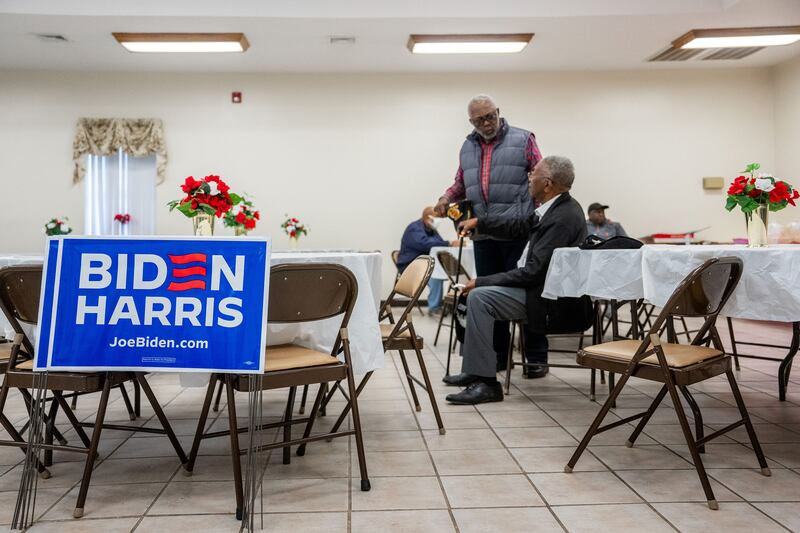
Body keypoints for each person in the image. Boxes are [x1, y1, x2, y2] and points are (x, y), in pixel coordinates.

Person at [444, 156, 589, 405]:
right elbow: (517, 225)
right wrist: (481, 222)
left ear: (547, 183)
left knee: (479, 297)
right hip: (537, 291)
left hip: (548, 300)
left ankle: (487, 383)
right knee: (476, 294)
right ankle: (477, 369)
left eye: (534, 174)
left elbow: (534, 272)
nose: (529, 176)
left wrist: (482, 281)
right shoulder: (554, 208)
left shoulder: (561, 218)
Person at [434, 94, 543, 371]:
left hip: (517, 230)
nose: (486, 123)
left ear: (498, 112)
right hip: (482, 234)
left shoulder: (523, 139)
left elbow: (540, 177)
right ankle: (498, 357)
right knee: (489, 295)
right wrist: (446, 198)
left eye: (490, 116)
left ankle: (536, 358)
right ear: (471, 122)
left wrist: (537, 214)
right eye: (479, 119)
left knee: (526, 294)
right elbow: (461, 181)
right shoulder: (467, 146)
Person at [397, 207, 458, 314]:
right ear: (427, 218)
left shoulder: (431, 229)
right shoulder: (414, 228)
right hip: (410, 265)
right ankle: (434, 308)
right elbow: (424, 244)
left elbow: (439, 242)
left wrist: (448, 243)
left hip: (423, 264)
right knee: (435, 276)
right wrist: (449, 243)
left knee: (452, 272)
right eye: (437, 217)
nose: (439, 220)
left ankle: (453, 304)